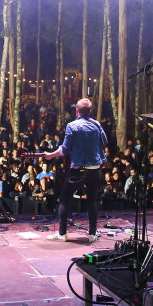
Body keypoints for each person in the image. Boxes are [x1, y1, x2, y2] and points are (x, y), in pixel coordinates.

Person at [44, 98, 108, 242]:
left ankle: (62, 234)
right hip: (94, 168)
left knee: (64, 199)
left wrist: (50, 155)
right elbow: (104, 142)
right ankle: (92, 234)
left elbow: (65, 149)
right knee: (92, 201)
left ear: (77, 111)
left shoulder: (72, 126)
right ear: (90, 112)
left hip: (78, 170)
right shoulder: (96, 124)